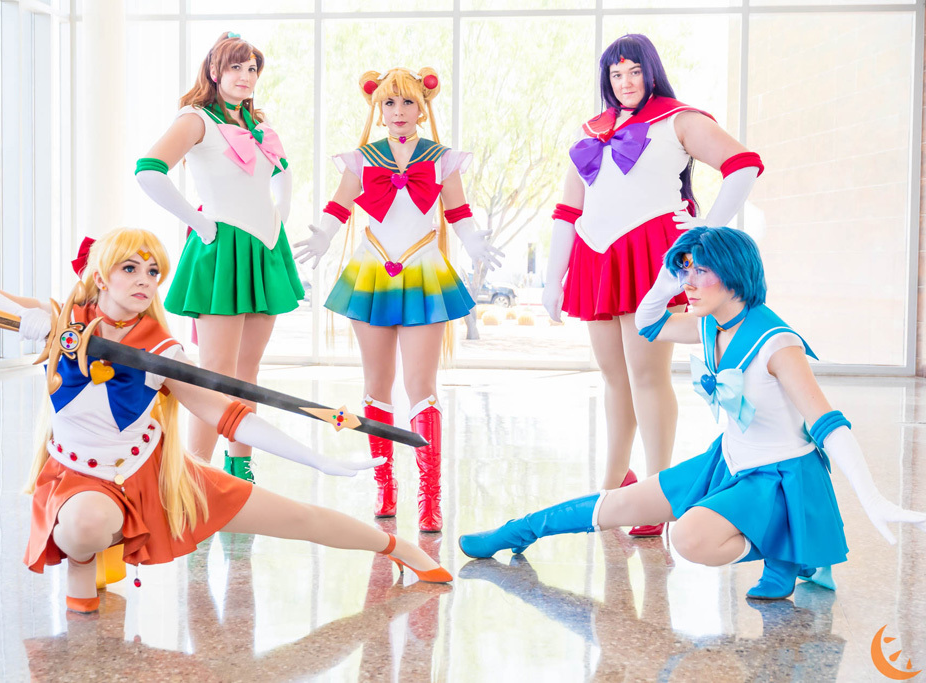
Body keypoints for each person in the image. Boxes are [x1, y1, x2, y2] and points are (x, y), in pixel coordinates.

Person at [0, 228, 452, 615]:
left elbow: (228, 416)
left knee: (298, 518)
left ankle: (400, 548)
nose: (144, 280)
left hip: (150, 473)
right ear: (101, 276)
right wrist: (27, 318)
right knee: (84, 525)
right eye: (130, 268)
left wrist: (314, 458)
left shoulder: (163, 351)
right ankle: (88, 561)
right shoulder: (62, 319)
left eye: (153, 272)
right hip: (79, 477)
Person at [460, 227, 926, 600]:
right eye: (688, 271)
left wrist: (872, 497)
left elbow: (826, 422)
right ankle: (515, 532)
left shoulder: (778, 343)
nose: (690, 283)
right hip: (727, 460)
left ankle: (787, 552)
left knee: (688, 538)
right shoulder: (710, 324)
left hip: (779, 477)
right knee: (619, 504)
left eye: (702, 271)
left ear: (734, 272)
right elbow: (647, 323)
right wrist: (669, 276)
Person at [542, 34, 764, 537]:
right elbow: (567, 210)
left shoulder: (678, 119)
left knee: (647, 375)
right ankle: (612, 483)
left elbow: (743, 164)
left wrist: (708, 228)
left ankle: (656, 492)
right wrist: (553, 278)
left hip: (650, 254)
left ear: (651, 72)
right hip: (596, 256)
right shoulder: (590, 131)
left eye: (635, 71)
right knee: (613, 376)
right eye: (616, 73)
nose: (626, 82)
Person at [293, 67, 501, 532]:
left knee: (422, 387)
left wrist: (474, 243)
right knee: (376, 385)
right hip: (372, 272)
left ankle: (430, 498)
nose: (399, 111)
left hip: (424, 271)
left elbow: (459, 212)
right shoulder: (361, 159)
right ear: (377, 107)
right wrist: (323, 235)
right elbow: (338, 207)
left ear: (423, 108)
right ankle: (384, 486)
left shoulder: (442, 159)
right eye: (390, 102)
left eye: (408, 102)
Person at [135, 32, 304, 483]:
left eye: (252, 69)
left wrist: (282, 211)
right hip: (223, 248)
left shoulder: (258, 125)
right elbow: (148, 170)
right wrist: (199, 221)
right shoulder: (196, 119)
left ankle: (240, 468)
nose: (245, 76)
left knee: (247, 372)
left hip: (265, 248)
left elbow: (282, 172)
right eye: (235, 67)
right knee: (217, 373)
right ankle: (195, 476)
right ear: (214, 71)